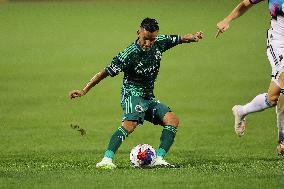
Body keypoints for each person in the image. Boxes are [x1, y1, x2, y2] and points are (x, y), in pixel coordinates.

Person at [69, 18, 203, 169]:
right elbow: (103, 73)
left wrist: (193, 37)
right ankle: (106, 159)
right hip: (132, 94)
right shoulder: (128, 54)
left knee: (172, 120)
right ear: (138, 32)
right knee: (130, 124)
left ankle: (158, 159)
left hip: (148, 97)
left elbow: (180, 38)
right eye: (145, 39)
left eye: (151, 40)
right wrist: (84, 90)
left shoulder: (159, 42)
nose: (148, 43)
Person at [216, 0, 284, 155]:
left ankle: (241, 111)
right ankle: (282, 139)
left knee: (273, 98)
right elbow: (247, 3)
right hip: (279, 43)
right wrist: (227, 20)